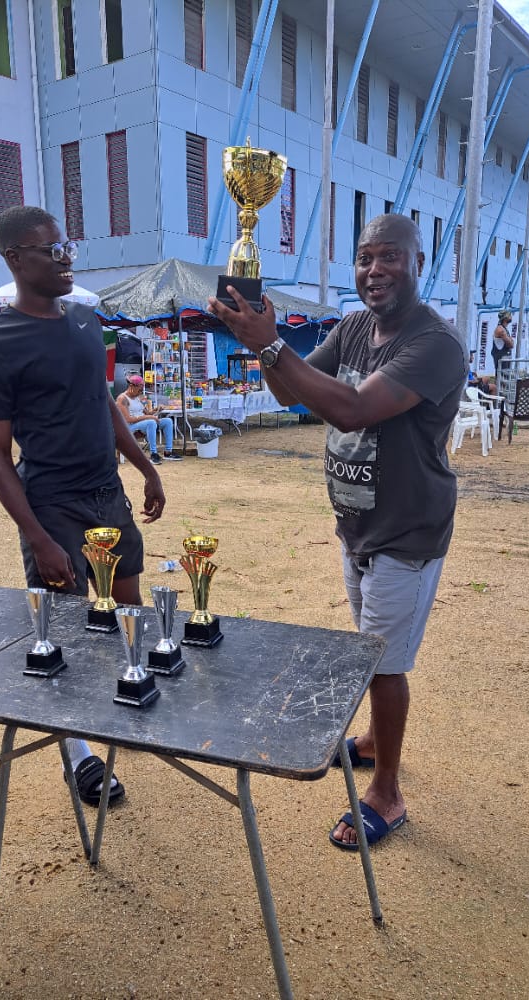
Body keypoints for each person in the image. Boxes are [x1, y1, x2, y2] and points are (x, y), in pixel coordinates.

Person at [208, 213, 467, 850]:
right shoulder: (352, 327)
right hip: (357, 524)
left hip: (406, 531)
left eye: (390, 257)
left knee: (384, 663)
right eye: (364, 258)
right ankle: (374, 742)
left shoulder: (435, 343)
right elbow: (293, 395)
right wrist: (256, 339)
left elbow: (351, 408)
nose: (374, 270)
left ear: (418, 262)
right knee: (367, 652)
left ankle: (388, 793)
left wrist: (273, 345)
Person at [0, 204, 167, 807]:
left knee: (129, 606)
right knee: (64, 633)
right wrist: (38, 537)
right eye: (50, 249)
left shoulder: (84, 319)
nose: (65, 258)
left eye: (66, 246)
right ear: (14, 258)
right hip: (52, 504)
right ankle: (79, 756)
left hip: (107, 493)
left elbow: (102, 402)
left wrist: (145, 468)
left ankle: (131, 695)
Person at [115, 373, 182, 462]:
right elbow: (128, 419)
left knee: (168, 421)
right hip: (129, 427)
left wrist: (157, 409)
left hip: (143, 423)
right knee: (151, 422)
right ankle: (153, 453)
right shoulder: (122, 398)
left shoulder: (137, 397)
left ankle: (168, 452)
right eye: (139, 390)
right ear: (131, 386)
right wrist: (149, 417)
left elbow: (148, 413)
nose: (140, 392)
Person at [490, 310, 514, 386]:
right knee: (502, 379)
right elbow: (511, 344)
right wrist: (510, 340)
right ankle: (498, 392)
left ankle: (501, 392)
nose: (511, 317)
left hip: (504, 356)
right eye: (509, 315)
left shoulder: (504, 329)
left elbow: (511, 342)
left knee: (505, 378)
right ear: (505, 318)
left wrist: (511, 340)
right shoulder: (500, 330)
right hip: (501, 356)